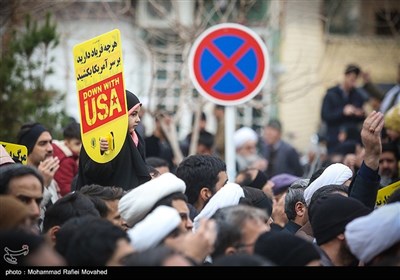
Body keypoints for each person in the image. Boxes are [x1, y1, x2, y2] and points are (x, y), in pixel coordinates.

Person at [76, 90, 151, 191]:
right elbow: (93, 175)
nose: (138, 119)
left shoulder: (137, 139)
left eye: (138, 114)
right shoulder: (97, 136)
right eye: (133, 114)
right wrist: (101, 153)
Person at [321, 64, 367, 154]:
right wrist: (342, 111)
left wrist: (359, 113)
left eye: (355, 80)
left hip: (352, 139)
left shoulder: (356, 95)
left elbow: (361, 117)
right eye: (352, 79)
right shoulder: (331, 94)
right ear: (346, 76)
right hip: (335, 140)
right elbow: (325, 116)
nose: (353, 83)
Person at [16, 122, 61, 213]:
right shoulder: (17, 180)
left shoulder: (49, 177)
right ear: (28, 148)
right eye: (42, 143)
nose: (50, 148)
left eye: (50, 142)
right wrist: (42, 185)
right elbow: (26, 217)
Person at [52, 121, 82, 197]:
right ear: (66, 143)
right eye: (77, 144)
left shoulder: (69, 156)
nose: (81, 147)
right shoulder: (66, 160)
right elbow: (66, 188)